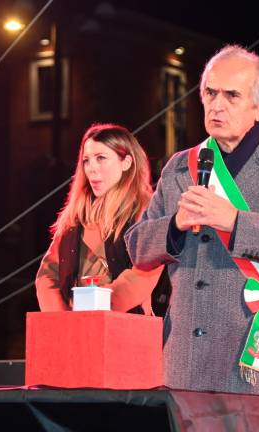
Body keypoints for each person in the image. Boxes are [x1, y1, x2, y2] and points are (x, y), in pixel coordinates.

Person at [125, 45, 259, 396]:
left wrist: (235, 221)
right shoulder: (180, 166)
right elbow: (136, 245)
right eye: (210, 93)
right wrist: (175, 225)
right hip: (187, 361)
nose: (217, 104)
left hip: (258, 360)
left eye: (231, 95)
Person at [36, 123, 164, 315]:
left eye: (101, 158)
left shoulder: (146, 212)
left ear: (126, 162)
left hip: (124, 327)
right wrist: (60, 316)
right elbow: (47, 274)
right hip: (74, 326)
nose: (91, 168)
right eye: (86, 160)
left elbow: (145, 271)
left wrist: (97, 306)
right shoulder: (75, 214)